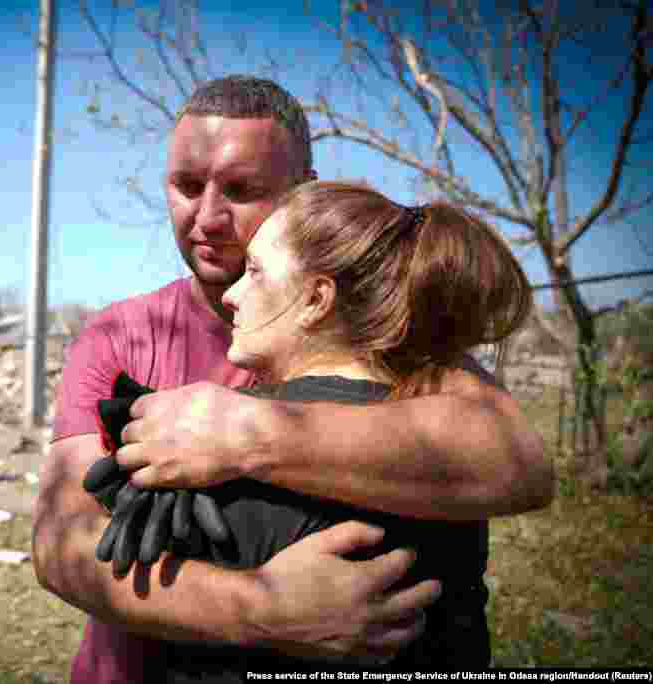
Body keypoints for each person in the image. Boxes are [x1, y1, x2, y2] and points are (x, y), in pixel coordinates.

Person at [32, 75, 552, 682]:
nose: (207, 217)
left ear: (304, 193)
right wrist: (261, 609)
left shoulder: (392, 336)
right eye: (187, 186)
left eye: (241, 190)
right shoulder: (120, 336)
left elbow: (518, 465)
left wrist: (247, 434)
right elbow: (60, 545)